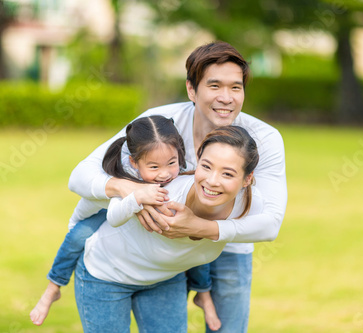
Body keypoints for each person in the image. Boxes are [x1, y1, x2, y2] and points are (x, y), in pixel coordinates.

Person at [69, 41, 287, 332]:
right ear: (191, 90)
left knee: (229, 328)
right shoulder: (159, 125)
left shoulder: (263, 138)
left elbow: (270, 224)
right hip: (159, 249)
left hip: (230, 242)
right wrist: (129, 190)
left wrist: (197, 227)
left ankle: (205, 291)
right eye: (214, 86)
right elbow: (80, 176)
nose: (226, 98)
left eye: (236, 87)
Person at [30, 115, 225, 326]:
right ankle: (53, 287)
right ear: (135, 162)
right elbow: (95, 206)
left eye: (171, 163)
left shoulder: (183, 171)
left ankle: (203, 294)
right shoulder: (124, 172)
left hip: (164, 269)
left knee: (196, 241)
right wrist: (135, 198)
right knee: (79, 235)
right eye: (153, 168)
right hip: (101, 212)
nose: (165, 174)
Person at [75, 125, 263, 332]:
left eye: (227, 174)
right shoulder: (166, 195)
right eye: (206, 167)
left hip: (166, 279)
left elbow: (269, 230)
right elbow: (107, 208)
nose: (212, 181)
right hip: (108, 273)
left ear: (247, 178)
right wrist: (133, 197)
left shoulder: (250, 206)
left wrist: (199, 226)